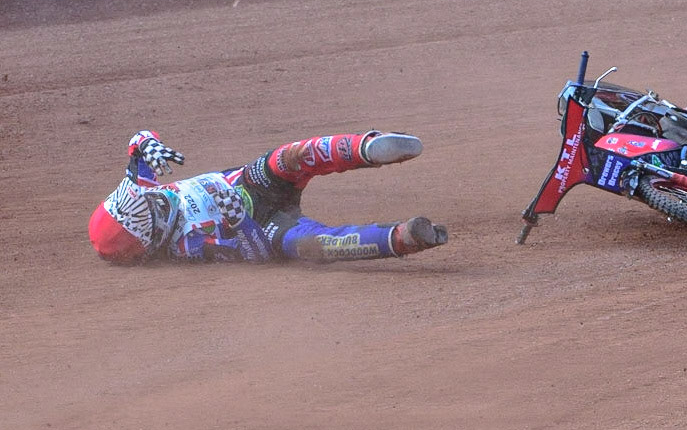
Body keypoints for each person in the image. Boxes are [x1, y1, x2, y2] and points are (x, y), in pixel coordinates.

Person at [88, 129, 448, 264]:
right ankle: (401, 238)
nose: (152, 199)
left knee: (288, 158)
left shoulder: (141, 195)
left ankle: (368, 147)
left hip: (249, 182)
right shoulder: (188, 246)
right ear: (150, 238)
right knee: (311, 246)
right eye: (147, 209)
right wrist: (237, 219)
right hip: (265, 225)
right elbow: (254, 253)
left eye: (144, 198)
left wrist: (148, 144)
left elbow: (137, 146)